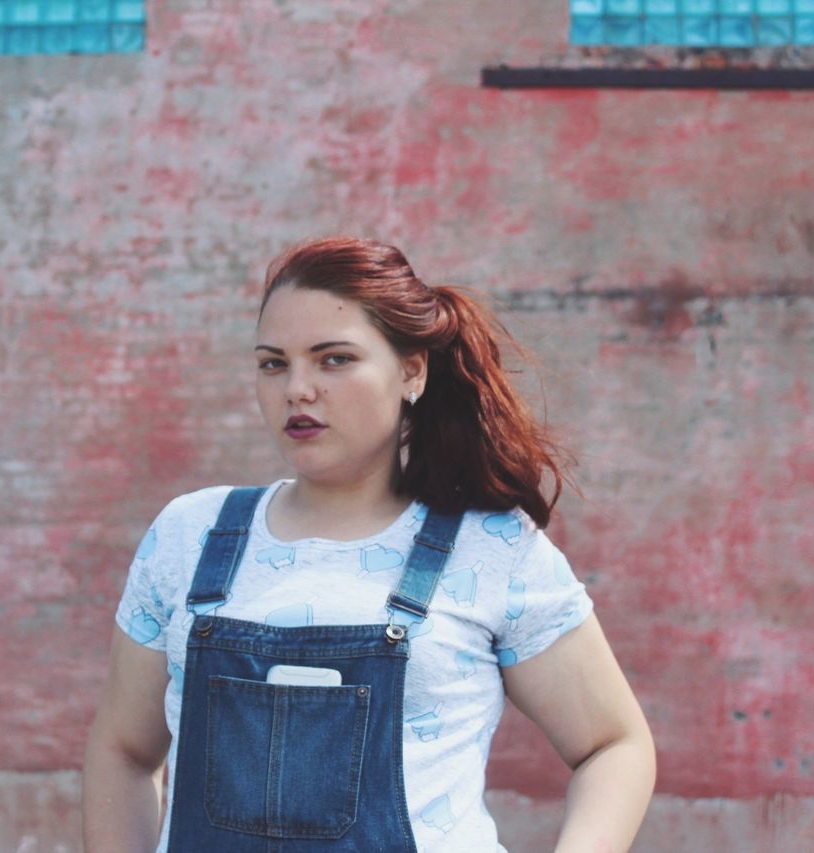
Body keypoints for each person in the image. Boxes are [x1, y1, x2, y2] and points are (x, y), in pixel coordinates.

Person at [83, 237, 655, 852]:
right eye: (274, 363)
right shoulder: (188, 535)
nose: (297, 389)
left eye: (334, 360)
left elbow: (613, 745)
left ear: (411, 371)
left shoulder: (491, 549)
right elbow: (122, 749)